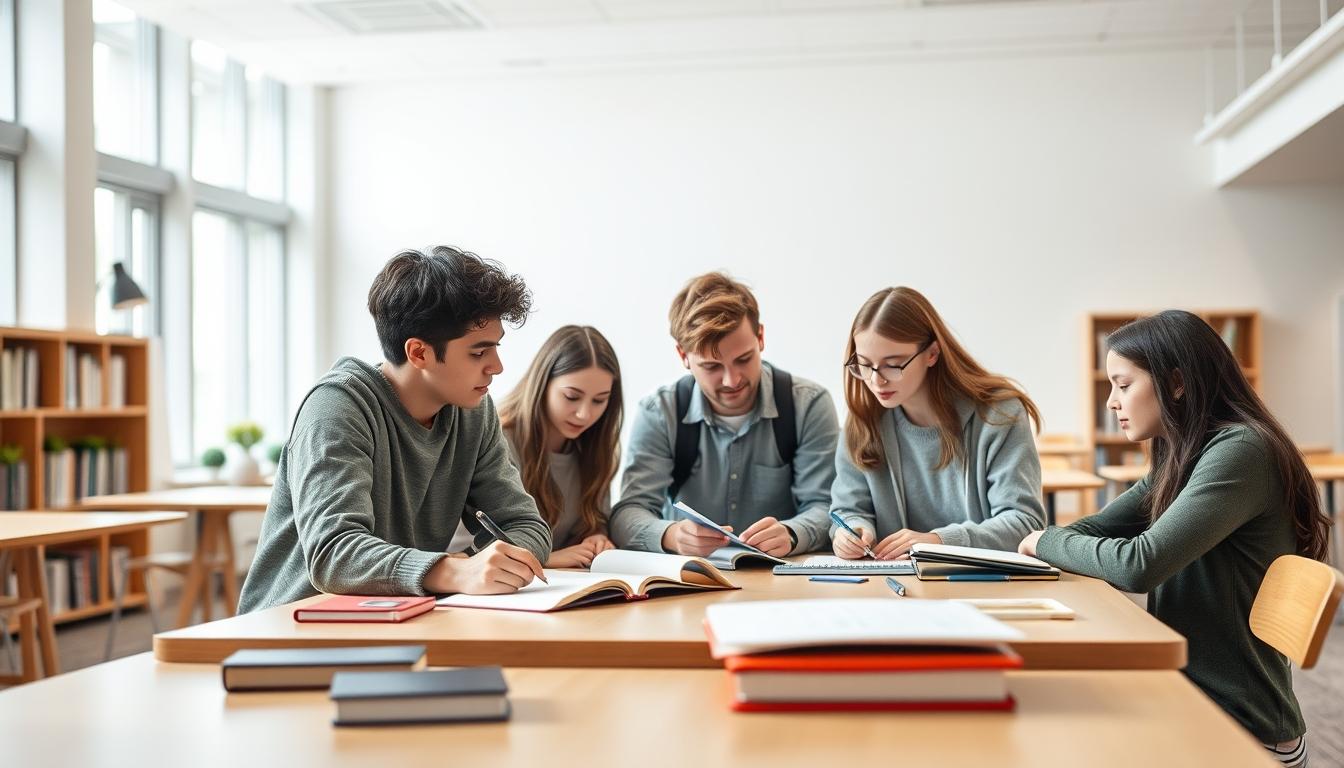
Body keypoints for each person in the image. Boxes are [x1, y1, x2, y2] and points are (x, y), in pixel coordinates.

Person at [1019, 310, 1330, 767]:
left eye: (1123, 385)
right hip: (1191, 695)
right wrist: (1051, 538)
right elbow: (1090, 531)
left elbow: (1139, 565)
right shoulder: (1180, 455)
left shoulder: (1240, 451)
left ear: (1177, 383)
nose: (1111, 402)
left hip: (1242, 728)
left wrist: (1042, 541)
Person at [239, 246, 551, 612]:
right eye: (478, 353)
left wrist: (486, 566)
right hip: (289, 633)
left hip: (397, 618)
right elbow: (334, 555)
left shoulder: (473, 411)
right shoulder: (336, 408)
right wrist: (456, 572)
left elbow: (526, 525)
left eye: (495, 348)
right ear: (419, 353)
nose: (497, 367)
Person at [610, 272, 839, 557]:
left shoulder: (808, 405)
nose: (732, 380)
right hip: (690, 582)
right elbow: (628, 512)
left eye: (744, 359)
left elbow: (827, 506)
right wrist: (670, 535)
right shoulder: (659, 413)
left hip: (780, 580)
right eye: (711, 367)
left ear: (761, 337)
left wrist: (793, 533)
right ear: (683, 356)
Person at [830, 286, 1044, 559]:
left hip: (983, 586)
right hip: (892, 590)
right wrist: (852, 531)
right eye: (864, 364)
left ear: (932, 353)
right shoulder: (863, 420)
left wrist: (937, 541)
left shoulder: (1000, 414)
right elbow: (848, 509)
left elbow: (1025, 524)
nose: (876, 380)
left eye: (893, 364)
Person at [495, 325, 623, 568]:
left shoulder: (596, 449)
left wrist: (596, 537)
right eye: (572, 397)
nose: (584, 414)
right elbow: (469, 547)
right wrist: (546, 559)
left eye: (600, 400)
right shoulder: (498, 441)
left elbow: (595, 520)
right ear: (542, 384)